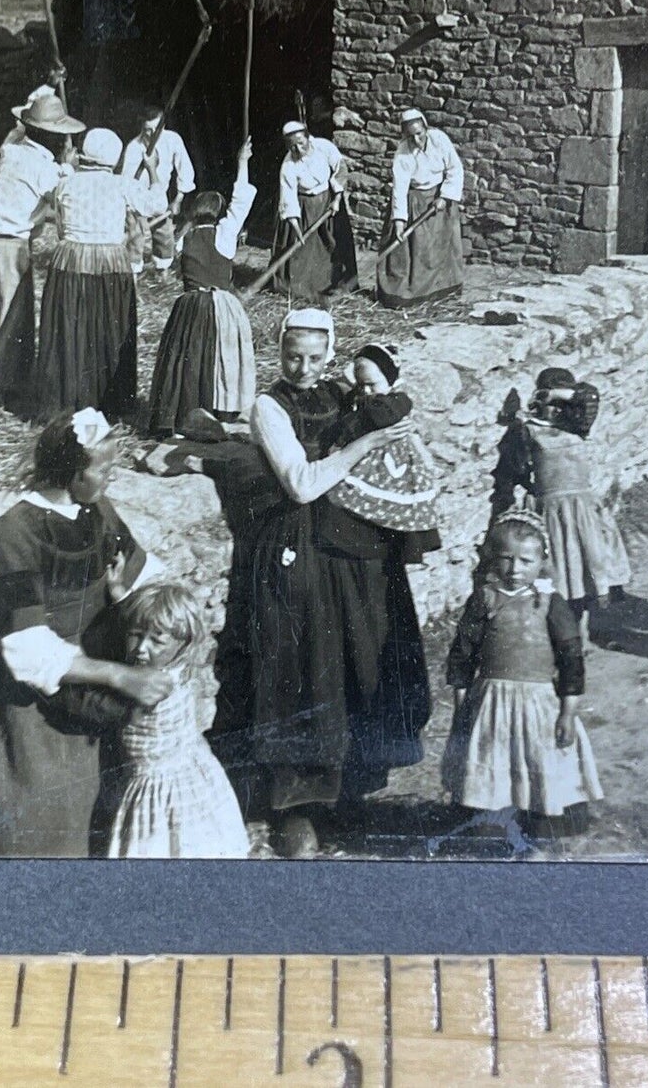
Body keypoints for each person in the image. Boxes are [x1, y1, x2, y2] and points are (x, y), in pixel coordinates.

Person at [210, 308, 431, 858]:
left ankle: (348, 791)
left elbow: (394, 411)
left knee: (356, 660)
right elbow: (302, 484)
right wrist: (362, 447)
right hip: (298, 547)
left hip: (349, 546)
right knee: (299, 668)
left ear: (331, 353)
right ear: (279, 352)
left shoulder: (343, 393)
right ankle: (293, 807)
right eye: (292, 356)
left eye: (314, 357)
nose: (303, 368)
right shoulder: (268, 406)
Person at [0, 410, 170, 856]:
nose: (112, 477)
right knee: (34, 825)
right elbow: (30, 650)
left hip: (87, 693)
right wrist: (120, 677)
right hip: (29, 707)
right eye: (105, 469)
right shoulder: (13, 536)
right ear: (71, 473)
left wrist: (124, 598)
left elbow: (140, 571)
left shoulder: (95, 511)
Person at [441, 507, 602, 850]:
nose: (515, 570)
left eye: (526, 561)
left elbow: (572, 660)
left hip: (539, 704)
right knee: (493, 762)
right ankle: (493, 823)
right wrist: (462, 708)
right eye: (506, 559)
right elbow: (463, 656)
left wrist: (568, 712)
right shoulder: (483, 600)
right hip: (491, 703)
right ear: (491, 558)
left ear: (542, 560)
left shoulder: (550, 603)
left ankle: (542, 823)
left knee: (539, 759)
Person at [105, 584, 252, 859]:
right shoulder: (177, 663)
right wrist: (121, 595)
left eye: (156, 642)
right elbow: (147, 623)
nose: (141, 648)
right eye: (135, 636)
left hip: (161, 787)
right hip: (192, 770)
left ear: (183, 645)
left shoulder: (154, 684)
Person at [490, 368, 631, 635]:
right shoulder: (529, 431)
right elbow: (515, 469)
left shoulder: (577, 424)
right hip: (551, 510)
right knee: (559, 575)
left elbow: (590, 398)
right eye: (551, 402)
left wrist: (559, 395)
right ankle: (561, 638)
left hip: (582, 509)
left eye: (561, 403)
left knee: (587, 571)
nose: (556, 409)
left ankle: (583, 635)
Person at [35, 126, 155, 421]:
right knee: (107, 328)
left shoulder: (65, 184)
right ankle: (108, 402)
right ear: (112, 158)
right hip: (109, 260)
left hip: (71, 258)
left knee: (71, 326)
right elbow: (156, 205)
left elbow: (61, 228)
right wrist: (152, 172)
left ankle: (68, 398)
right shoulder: (122, 185)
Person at [0, 85, 79, 414]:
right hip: (11, 245)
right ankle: (0, 389)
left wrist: (47, 85)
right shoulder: (45, 168)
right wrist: (69, 166)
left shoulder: (11, 149)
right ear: (49, 136)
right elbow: (65, 197)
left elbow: (19, 127)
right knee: (11, 318)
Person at [147, 140, 258, 437]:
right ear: (219, 212)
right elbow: (242, 199)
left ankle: (182, 414)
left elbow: (167, 252)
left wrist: (152, 173)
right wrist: (243, 162)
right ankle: (218, 411)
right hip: (221, 305)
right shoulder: (225, 233)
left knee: (187, 358)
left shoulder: (184, 236)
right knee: (221, 358)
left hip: (188, 306)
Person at [326, 343, 442, 562]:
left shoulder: (395, 402)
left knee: (396, 500)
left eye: (372, 384)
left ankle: (402, 542)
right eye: (361, 385)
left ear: (389, 381)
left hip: (391, 462)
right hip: (371, 458)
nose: (366, 391)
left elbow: (377, 417)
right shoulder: (363, 400)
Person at [377, 108, 466, 308]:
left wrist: (444, 196)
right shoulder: (403, 153)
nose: (416, 140)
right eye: (411, 136)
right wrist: (399, 221)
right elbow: (399, 188)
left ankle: (443, 290)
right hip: (415, 199)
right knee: (415, 249)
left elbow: (454, 168)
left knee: (440, 247)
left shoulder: (440, 140)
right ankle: (408, 295)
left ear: (426, 128)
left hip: (440, 197)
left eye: (419, 133)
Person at [273, 120, 356, 301]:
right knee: (305, 251)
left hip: (329, 201)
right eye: (293, 147)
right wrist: (296, 228)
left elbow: (340, 169)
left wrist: (337, 199)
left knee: (334, 243)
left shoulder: (324, 147)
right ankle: (306, 287)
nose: (299, 150)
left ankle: (339, 282)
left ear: (308, 137)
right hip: (305, 207)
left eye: (301, 143)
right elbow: (288, 196)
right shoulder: (288, 165)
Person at [120, 104, 197, 277]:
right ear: (141, 126)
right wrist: (130, 207)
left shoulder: (172, 139)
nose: (153, 134)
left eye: (157, 128)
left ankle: (163, 270)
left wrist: (178, 199)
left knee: (165, 235)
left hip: (160, 198)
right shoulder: (134, 148)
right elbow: (127, 183)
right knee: (135, 237)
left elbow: (185, 168)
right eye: (148, 129)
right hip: (138, 199)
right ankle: (132, 273)